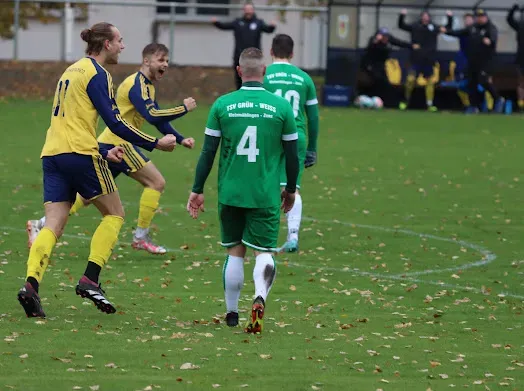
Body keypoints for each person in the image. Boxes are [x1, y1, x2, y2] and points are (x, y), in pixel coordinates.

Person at [17, 22, 177, 318]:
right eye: (120, 40)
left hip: (52, 155)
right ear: (106, 44)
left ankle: (31, 285)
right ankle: (90, 278)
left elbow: (73, 122)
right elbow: (115, 124)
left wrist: (105, 150)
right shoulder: (98, 74)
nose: (123, 46)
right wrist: (156, 143)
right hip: (79, 155)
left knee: (54, 224)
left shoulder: (70, 71)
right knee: (115, 213)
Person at [27, 43, 197, 255]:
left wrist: (180, 139)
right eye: (161, 60)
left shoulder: (147, 86)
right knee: (156, 182)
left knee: (88, 196)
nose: (165, 65)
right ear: (147, 61)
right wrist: (183, 108)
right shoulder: (136, 84)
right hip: (120, 143)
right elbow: (152, 115)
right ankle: (141, 237)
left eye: (167, 61)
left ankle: (41, 223)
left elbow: (157, 119)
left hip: (111, 143)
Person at [186, 47, 299, 334]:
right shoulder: (281, 107)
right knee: (263, 252)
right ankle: (259, 296)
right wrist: (291, 189)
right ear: (264, 72)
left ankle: (232, 313)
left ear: (239, 71)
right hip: (264, 193)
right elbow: (293, 155)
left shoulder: (223, 105)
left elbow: (207, 153)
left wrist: (197, 189)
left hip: (231, 192)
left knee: (235, 253)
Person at [262, 34, 319, 253]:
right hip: (297, 137)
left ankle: (263, 232)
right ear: (292, 54)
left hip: (270, 135)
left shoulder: (264, 74)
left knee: (267, 184)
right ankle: (293, 235)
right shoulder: (304, 78)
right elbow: (313, 117)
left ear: (271, 51)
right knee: (292, 186)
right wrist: (312, 147)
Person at [443, 9, 504, 114]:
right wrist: (446, 31)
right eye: (478, 16)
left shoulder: (490, 27)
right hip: (473, 60)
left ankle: (498, 99)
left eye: (482, 16)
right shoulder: (473, 28)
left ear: (486, 17)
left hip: (486, 61)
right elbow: (459, 32)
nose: (480, 18)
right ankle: (473, 106)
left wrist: (489, 41)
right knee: (472, 83)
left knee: (484, 80)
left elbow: (493, 37)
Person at [398, 9, 453, 111]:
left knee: (430, 82)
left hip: (429, 60)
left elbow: (447, 28)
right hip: (415, 59)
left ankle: (429, 104)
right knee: (410, 80)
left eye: (427, 16)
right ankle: (405, 101)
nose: (425, 18)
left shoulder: (434, 27)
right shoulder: (415, 26)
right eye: (423, 16)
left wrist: (450, 17)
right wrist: (402, 15)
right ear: (421, 17)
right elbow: (401, 25)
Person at [212, 2, 276, 90]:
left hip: (255, 57)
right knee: (239, 79)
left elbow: (268, 30)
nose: (248, 12)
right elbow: (224, 26)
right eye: (246, 9)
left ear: (253, 10)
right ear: (244, 10)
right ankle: (240, 96)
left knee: (255, 78)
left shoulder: (258, 23)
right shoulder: (237, 22)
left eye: (250, 9)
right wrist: (216, 23)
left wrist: (272, 26)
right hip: (239, 56)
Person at [360, 27, 416, 107]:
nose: (385, 38)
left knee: (385, 83)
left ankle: (385, 102)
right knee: (377, 81)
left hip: (381, 65)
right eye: (383, 36)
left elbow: (399, 42)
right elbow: (369, 50)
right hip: (371, 65)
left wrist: (411, 46)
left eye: (386, 36)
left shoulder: (389, 39)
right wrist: (376, 41)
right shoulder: (374, 41)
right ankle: (369, 101)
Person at [507, 4, 524, 112]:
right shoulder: (521, 26)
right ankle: (521, 103)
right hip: (521, 59)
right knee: (521, 83)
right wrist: (513, 9)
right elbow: (509, 19)